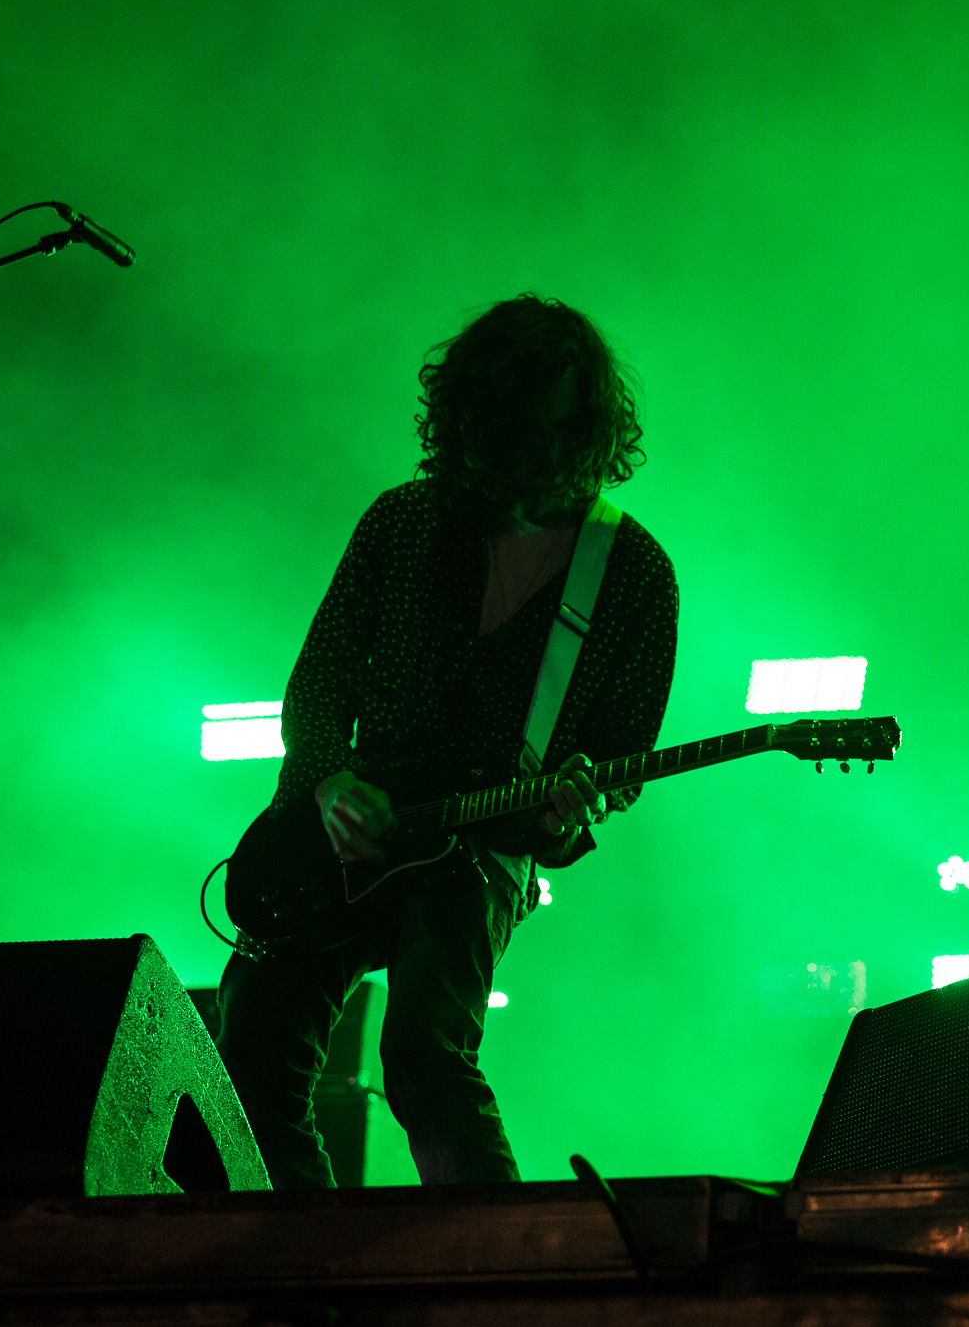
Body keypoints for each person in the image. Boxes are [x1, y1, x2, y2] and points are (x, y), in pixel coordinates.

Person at [216, 295, 679, 1186]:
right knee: (250, 1052)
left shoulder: (634, 575)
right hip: (350, 828)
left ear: (590, 425)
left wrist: (566, 811)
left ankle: (505, 1258)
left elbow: (619, 757)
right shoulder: (402, 521)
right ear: (472, 423)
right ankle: (303, 1249)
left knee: (425, 1057)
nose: (538, 457)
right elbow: (319, 682)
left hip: (481, 841)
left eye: (558, 431)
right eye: (516, 432)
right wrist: (327, 781)